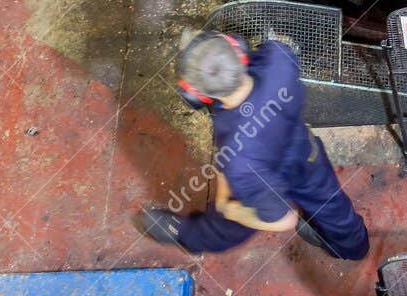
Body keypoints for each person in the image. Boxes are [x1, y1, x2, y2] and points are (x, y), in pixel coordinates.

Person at [137, 31, 369, 262]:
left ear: (198, 97)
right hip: (305, 154)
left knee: (227, 221)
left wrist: (231, 210)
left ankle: (188, 235)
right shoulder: (279, 59)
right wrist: (213, 51)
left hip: (260, 177)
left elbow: (284, 220)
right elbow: (263, 52)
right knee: (331, 206)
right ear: (238, 49)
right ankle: (353, 247)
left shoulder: (238, 161)